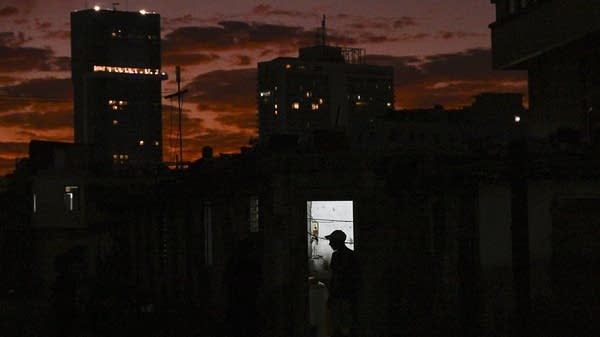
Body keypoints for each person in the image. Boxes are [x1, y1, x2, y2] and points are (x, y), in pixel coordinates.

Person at [325, 230, 359, 337]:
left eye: (331, 241)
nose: (330, 244)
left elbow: (335, 277)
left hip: (341, 295)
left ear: (337, 242)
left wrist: (330, 295)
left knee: (340, 324)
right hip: (347, 295)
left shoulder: (336, 256)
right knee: (346, 325)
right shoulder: (351, 255)